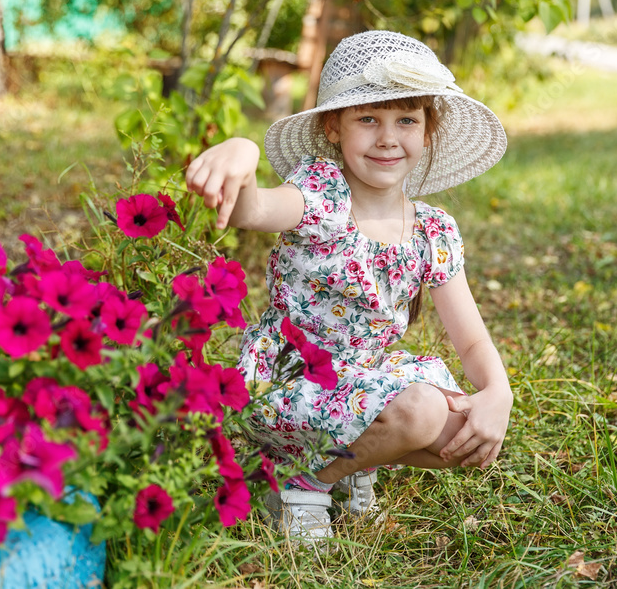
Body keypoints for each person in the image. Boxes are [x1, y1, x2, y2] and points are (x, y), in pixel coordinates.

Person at [185, 30, 513, 540]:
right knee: (423, 409)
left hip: (366, 381)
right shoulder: (320, 196)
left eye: (407, 119)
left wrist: (498, 392)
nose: (388, 137)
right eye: (368, 119)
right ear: (334, 128)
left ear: (428, 131)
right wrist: (241, 150)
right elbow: (255, 209)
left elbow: (470, 338)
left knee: (470, 434)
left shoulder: (433, 230)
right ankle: (305, 479)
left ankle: (353, 460)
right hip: (293, 382)